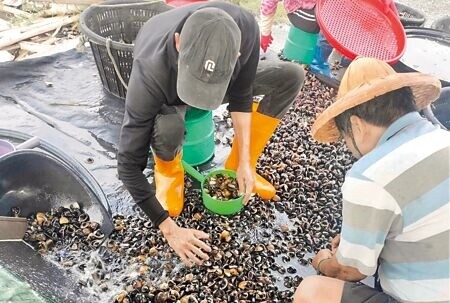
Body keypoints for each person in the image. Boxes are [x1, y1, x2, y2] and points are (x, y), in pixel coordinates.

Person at [117, 1, 304, 266]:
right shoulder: (150, 71)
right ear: (179, 43)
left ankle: (241, 166)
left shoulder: (245, 31)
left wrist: (244, 162)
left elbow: (241, 95)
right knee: (169, 128)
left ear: (237, 55)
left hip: (221, 76)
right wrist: (169, 229)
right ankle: (169, 174)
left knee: (291, 75)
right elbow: (127, 165)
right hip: (169, 92)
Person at [294, 57, 449, 302]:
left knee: (311, 292)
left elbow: (349, 271)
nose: (349, 147)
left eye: (344, 138)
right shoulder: (443, 138)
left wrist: (324, 262)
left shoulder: (370, 175)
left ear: (356, 126)